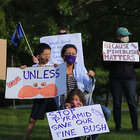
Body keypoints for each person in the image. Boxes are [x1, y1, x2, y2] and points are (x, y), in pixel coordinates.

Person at [58, 44, 111, 140]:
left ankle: (92, 138)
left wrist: (91, 78)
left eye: (73, 54)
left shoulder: (81, 68)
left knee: (106, 112)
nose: (71, 56)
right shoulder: (57, 69)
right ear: (63, 56)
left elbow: (89, 89)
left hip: (83, 103)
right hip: (67, 105)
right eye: (68, 53)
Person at [103, 27, 139, 131]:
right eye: (124, 36)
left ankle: (135, 127)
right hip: (115, 80)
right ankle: (117, 127)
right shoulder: (111, 49)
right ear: (118, 37)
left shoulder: (132, 49)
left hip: (130, 79)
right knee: (117, 104)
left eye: (127, 36)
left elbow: (137, 66)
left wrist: (138, 57)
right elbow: (105, 66)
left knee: (132, 103)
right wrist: (104, 57)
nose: (127, 38)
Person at [22, 43, 57, 140]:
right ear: (38, 56)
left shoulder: (53, 67)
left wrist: (58, 68)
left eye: (49, 54)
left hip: (51, 98)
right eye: (45, 54)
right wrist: (23, 70)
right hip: (39, 97)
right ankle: (25, 138)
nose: (48, 56)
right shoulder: (33, 68)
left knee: (52, 120)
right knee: (32, 119)